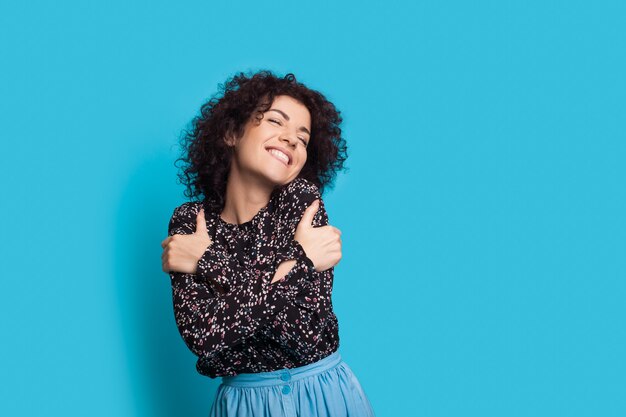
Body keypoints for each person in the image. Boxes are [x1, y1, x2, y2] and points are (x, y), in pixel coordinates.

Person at [161, 70, 375, 416]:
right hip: (243, 404)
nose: (291, 139)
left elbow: (303, 332)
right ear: (231, 132)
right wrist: (302, 262)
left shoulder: (301, 202)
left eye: (303, 138)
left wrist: (209, 260)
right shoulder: (191, 221)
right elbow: (203, 338)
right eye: (276, 121)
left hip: (321, 395)